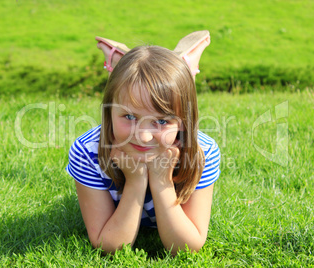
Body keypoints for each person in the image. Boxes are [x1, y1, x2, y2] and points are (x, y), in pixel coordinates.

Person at [66, 32, 220, 255]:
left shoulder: (202, 152)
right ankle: (132, 67)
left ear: (183, 123)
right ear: (109, 114)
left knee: (170, 90)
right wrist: (136, 181)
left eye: (161, 121)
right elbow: (109, 246)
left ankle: (183, 64)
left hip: (168, 111)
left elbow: (187, 247)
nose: (144, 137)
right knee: (139, 87)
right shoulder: (86, 152)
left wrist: (161, 181)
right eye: (129, 117)